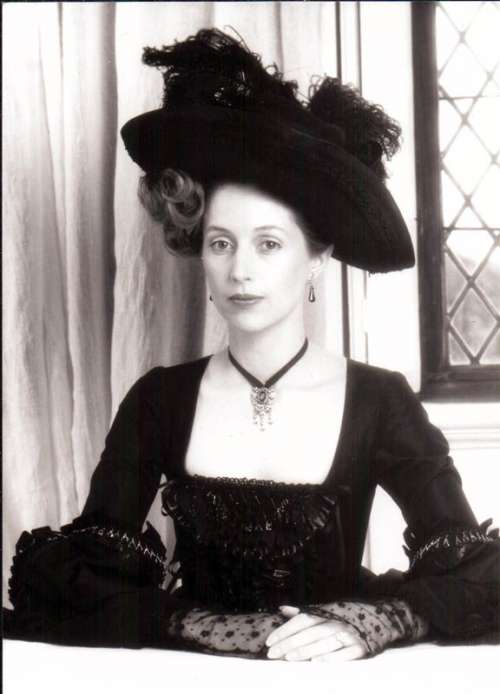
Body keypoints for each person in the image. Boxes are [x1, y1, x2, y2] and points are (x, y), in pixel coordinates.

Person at [4, 29, 499, 661]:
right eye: (221, 243)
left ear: (316, 258)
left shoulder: (381, 401)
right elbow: (80, 578)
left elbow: (475, 572)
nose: (240, 270)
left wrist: (373, 622)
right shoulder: (159, 399)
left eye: (269, 244)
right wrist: (199, 625)